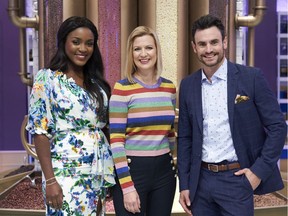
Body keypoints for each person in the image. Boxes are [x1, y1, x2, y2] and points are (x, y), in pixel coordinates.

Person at [177, 14, 287, 216]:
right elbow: (185, 138)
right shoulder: (188, 85)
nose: (208, 49)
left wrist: (257, 173)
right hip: (200, 183)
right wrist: (184, 184)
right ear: (194, 47)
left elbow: (278, 127)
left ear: (224, 42)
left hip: (237, 180)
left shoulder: (251, 78)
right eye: (202, 44)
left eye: (214, 42)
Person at [26, 16, 115, 216]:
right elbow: (40, 132)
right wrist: (49, 180)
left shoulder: (96, 83)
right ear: (63, 42)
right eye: (76, 42)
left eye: (89, 44)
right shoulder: (47, 78)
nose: (83, 49)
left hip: (97, 171)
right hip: (64, 174)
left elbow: (104, 127)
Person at [109, 26, 177, 215]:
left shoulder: (169, 88)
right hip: (132, 171)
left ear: (157, 51)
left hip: (165, 172)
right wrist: (127, 186)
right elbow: (116, 141)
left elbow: (170, 133)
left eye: (149, 47)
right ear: (131, 53)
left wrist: (174, 163)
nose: (143, 54)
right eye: (137, 49)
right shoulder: (122, 89)